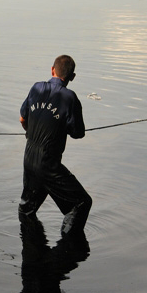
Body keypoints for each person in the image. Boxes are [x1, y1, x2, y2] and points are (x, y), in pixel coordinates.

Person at [18, 54, 92, 236]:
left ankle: (31, 254)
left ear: (52, 70)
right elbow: (78, 133)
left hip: (29, 158)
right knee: (81, 203)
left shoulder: (36, 87)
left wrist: (31, 130)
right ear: (72, 77)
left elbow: (22, 118)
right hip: (49, 165)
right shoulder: (70, 98)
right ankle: (67, 250)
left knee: (27, 209)